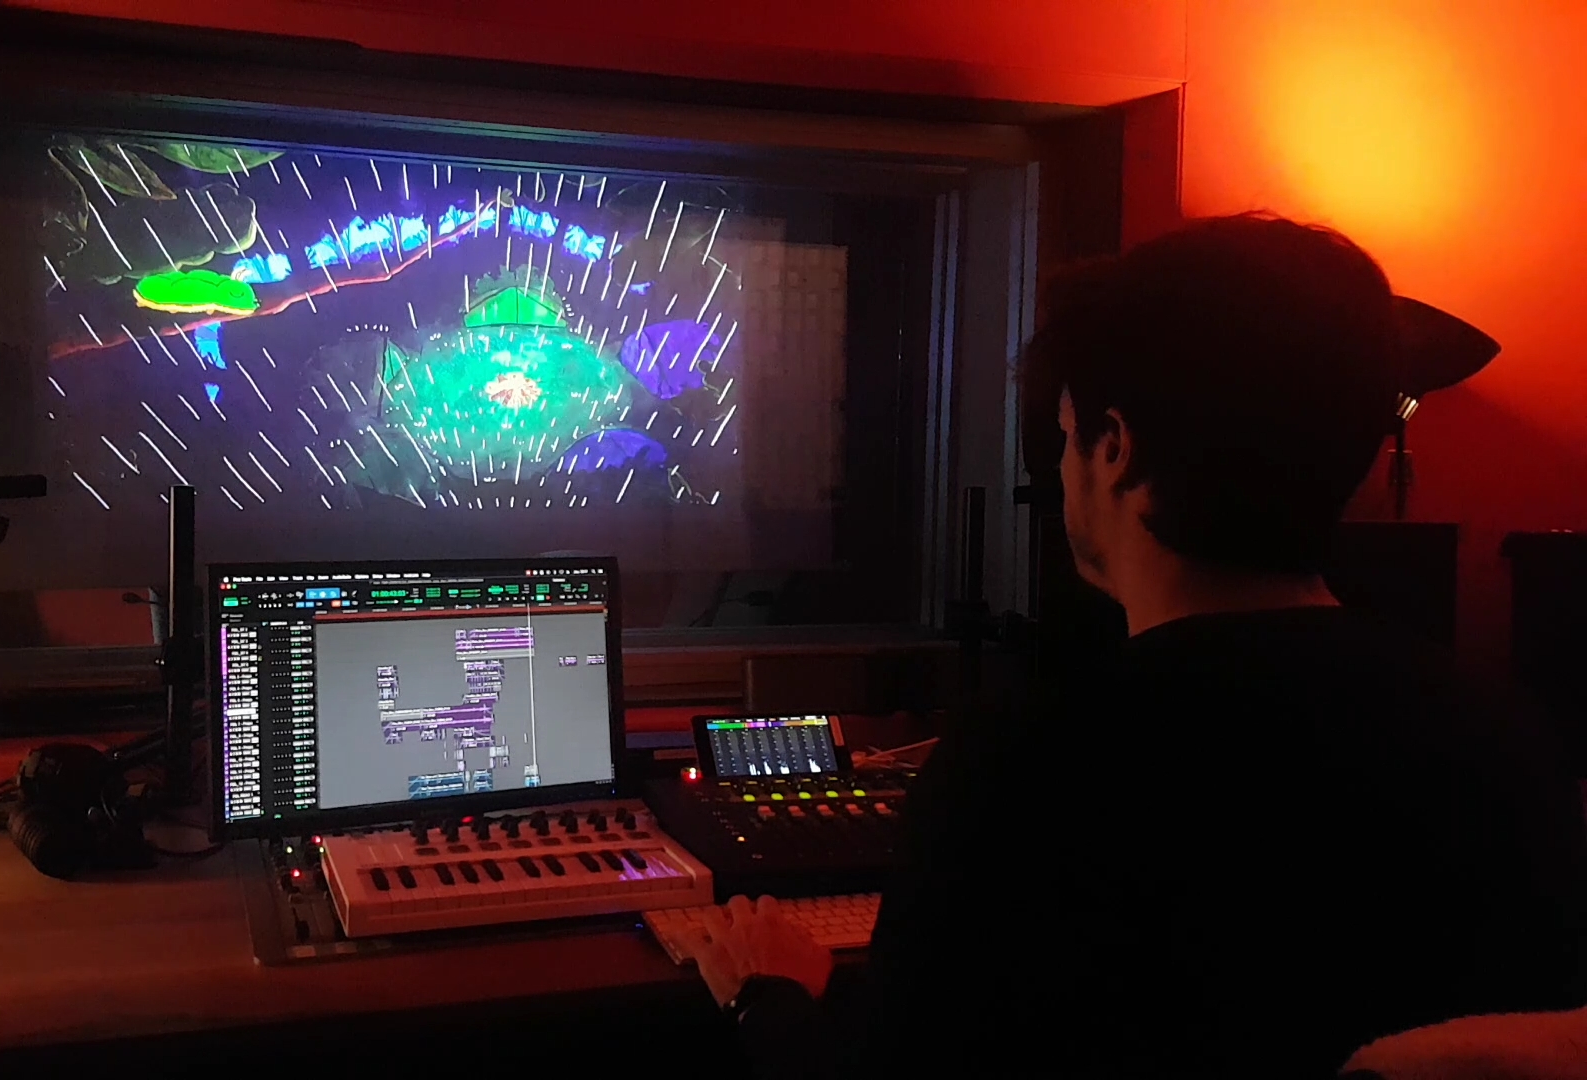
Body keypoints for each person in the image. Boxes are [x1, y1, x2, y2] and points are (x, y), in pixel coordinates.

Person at [671, 214, 1587, 1078]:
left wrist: (769, 997)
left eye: (1068, 435)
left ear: (1114, 448)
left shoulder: (1028, 765)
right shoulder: (1501, 737)